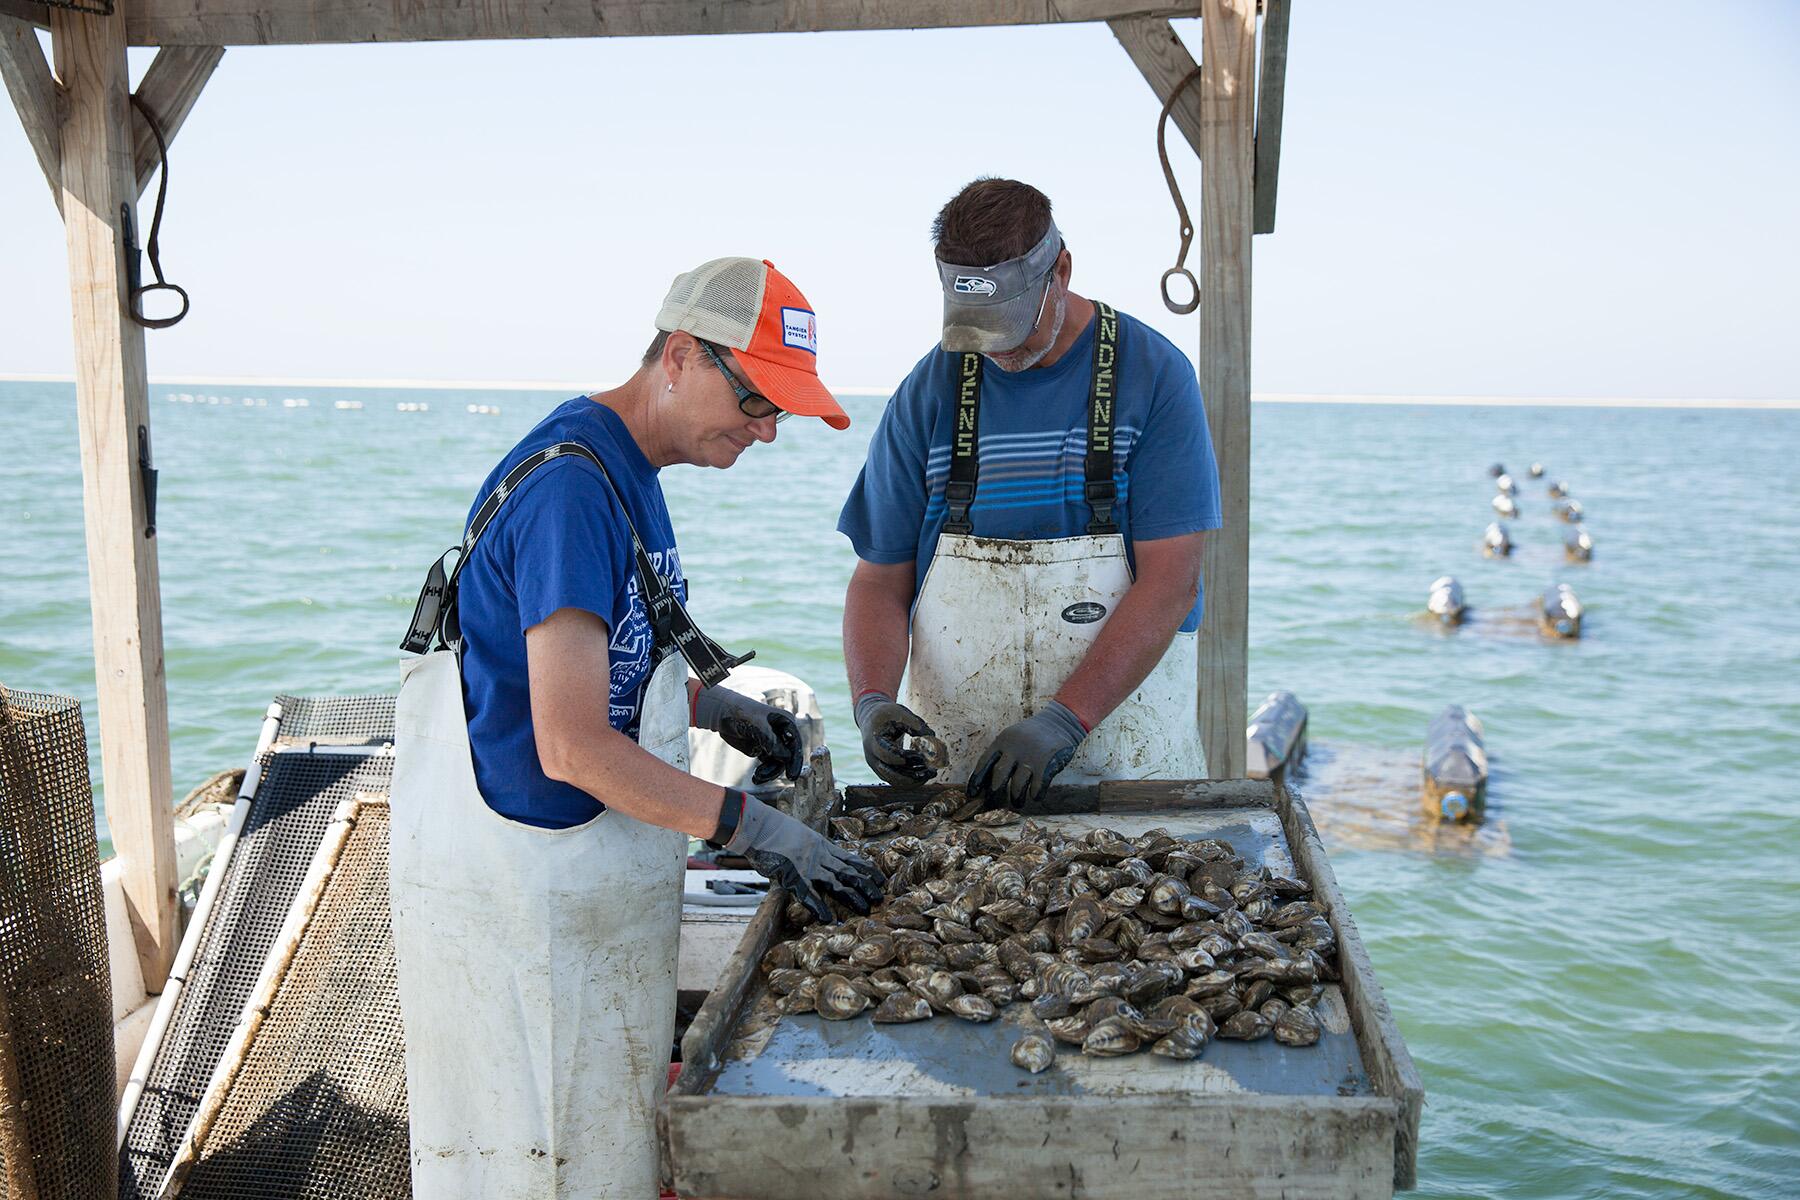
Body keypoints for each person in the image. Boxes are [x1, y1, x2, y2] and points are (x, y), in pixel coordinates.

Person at [389, 257, 884, 1200]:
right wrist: (751, 826)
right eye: (757, 400)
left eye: (783, 410)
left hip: (583, 879)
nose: (768, 431)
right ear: (684, 354)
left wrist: (709, 708)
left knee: (595, 1157)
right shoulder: (572, 488)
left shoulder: (630, 468)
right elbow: (569, 745)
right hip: (518, 897)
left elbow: (588, 671)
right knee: (526, 1161)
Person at [839, 179, 1222, 805]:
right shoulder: (927, 391)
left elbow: (1171, 583)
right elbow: (880, 581)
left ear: (1061, 271)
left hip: (1123, 763)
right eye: (977, 329)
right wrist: (874, 701)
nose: (997, 349)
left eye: (1012, 325)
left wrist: (1064, 720)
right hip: (959, 770)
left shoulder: (1155, 377)